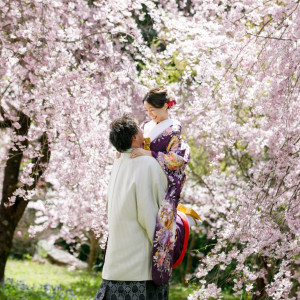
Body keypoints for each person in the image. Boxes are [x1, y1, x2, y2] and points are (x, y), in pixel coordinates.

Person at [95, 114, 171, 300]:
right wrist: (163, 253)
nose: (142, 131)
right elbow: (152, 216)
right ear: (133, 137)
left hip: (115, 265)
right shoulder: (146, 164)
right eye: (139, 128)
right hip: (138, 269)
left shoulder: (119, 163)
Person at [130, 86, 200, 285]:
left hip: (160, 181)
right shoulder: (145, 125)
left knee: (156, 224)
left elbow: (177, 159)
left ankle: (156, 272)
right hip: (140, 177)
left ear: (165, 107)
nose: (150, 114)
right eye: (147, 111)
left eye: (153, 110)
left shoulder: (174, 129)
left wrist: (151, 154)